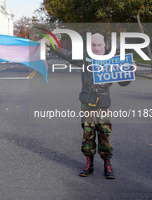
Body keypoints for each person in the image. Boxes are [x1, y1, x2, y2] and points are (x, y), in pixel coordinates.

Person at [50, 33, 132, 179]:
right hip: (87, 102)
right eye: (93, 45)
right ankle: (89, 163)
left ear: (104, 45)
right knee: (88, 134)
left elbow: (123, 82)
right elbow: (67, 54)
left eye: (99, 45)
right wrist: (51, 45)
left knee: (104, 133)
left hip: (102, 103)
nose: (96, 48)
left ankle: (107, 163)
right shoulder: (85, 58)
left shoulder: (112, 60)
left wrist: (130, 70)